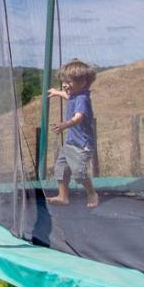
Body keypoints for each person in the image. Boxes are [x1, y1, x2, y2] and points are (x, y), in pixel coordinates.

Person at [46, 59, 99, 208]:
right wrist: (57, 92)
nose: (64, 84)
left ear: (82, 83)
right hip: (71, 142)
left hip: (82, 145)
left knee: (79, 172)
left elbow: (78, 118)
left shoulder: (82, 99)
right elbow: (68, 96)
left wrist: (64, 125)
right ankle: (63, 196)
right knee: (61, 168)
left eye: (68, 82)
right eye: (63, 81)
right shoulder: (75, 95)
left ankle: (91, 193)